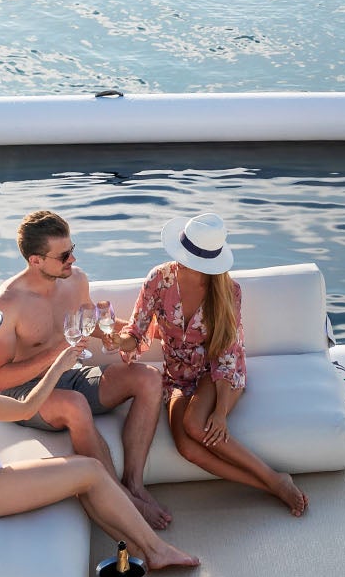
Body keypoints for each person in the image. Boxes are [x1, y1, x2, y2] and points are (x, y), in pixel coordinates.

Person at [0, 297, 198, 570]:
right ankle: (156, 551)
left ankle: (139, 547)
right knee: (91, 470)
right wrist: (58, 367)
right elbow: (24, 408)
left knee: (85, 477)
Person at [0, 209, 171, 529]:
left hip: (72, 375)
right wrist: (56, 355)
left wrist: (126, 334)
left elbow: (88, 325)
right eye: (64, 255)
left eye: (73, 250)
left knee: (148, 378)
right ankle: (123, 501)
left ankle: (134, 484)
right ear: (36, 260)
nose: (72, 259)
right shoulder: (6, 304)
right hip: (27, 391)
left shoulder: (76, 279)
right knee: (74, 404)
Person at [120, 212, 308, 517]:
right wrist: (118, 342)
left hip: (217, 373)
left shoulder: (228, 292)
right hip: (176, 377)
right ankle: (273, 483)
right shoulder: (159, 279)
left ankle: (274, 478)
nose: (178, 260)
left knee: (196, 424)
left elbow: (227, 354)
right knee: (188, 448)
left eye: (188, 256)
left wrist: (220, 412)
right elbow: (136, 331)